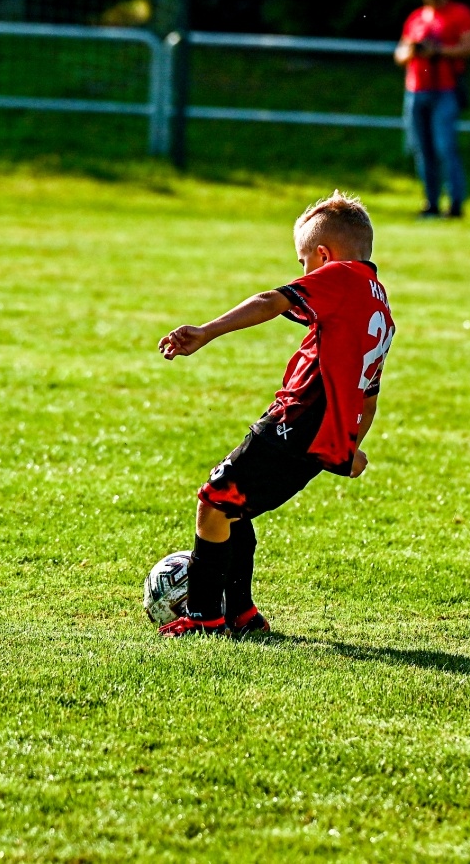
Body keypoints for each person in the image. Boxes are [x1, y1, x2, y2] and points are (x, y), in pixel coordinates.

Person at [155, 191, 396, 637]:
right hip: (317, 437)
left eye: (304, 263)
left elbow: (272, 300)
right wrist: (350, 447)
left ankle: (205, 618)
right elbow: (368, 394)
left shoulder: (340, 276)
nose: (303, 275)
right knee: (235, 510)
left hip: (294, 422)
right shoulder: (378, 304)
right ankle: (243, 615)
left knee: (215, 500)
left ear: (323, 256)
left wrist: (206, 332)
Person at [394, 0, 470, 218]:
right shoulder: (416, 18)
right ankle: (430, 204)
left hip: (445, 90)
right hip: (416, 91)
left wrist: (438, 51)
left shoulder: (460, 14)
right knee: (422, 150)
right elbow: (399, 54)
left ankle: (454, 205)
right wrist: (412, 50)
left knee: (445, 147)